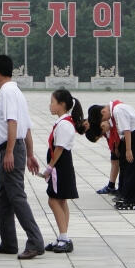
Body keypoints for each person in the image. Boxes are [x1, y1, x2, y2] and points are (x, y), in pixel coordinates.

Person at [0, 54, 45, 259]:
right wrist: (29, 154)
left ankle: (35, 241)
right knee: (4, 196)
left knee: (16, 196)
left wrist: (10, 152)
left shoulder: (7, 92)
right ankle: (9, 242)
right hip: (17, 147)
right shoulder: (17, 91)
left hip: (10, 148)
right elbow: (26, 126)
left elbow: (13, 122)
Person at [42, 89, 86, 253]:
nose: (50, 105)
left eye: (52, 102)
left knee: (53, 200)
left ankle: (64, 237)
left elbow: (59, 148)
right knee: (60, 201)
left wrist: (50, 167)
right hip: (62, 165)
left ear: (61, 105)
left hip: (61, 166)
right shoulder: (64, 122)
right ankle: (62, 237)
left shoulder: (64, 124)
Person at [87, 100, 135, 210]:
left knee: (132, 167)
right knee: (129, 167)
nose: (105, 121)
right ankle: (131, 198)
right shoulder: (115, 110)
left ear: (103, 111)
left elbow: (126, 130)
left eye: (103, 119)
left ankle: (132, 200)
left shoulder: (117, 110)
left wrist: (128, 150)